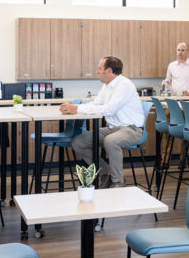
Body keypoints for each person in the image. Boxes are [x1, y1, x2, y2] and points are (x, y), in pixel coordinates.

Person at [62, 55, 144, 188]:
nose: (97, 72)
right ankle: (106, 172)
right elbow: (96, 104)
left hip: (131, 129)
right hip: (112, 128)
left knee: (111, 141)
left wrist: (78, 108)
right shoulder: (107, 86)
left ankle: (118, 181)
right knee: (78, 142)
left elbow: (109, 110)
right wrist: (76, 108)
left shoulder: (124, 85)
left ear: (109, 70)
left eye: (99, 69)